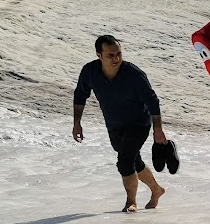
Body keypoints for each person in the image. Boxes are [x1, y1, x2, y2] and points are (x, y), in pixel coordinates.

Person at [72, 35, 168, 213]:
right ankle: (156, 190)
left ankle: (131, 202)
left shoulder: (134, 74)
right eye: (110, 55)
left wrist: (158, 129)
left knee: (124, 161)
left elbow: (152, 101)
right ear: (99, 55)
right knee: (133, 161)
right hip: (114, 125)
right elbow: (80, 95)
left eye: (119, 54)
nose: (116, 58)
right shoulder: (90, 71)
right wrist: (77, 123)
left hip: (138, 124)